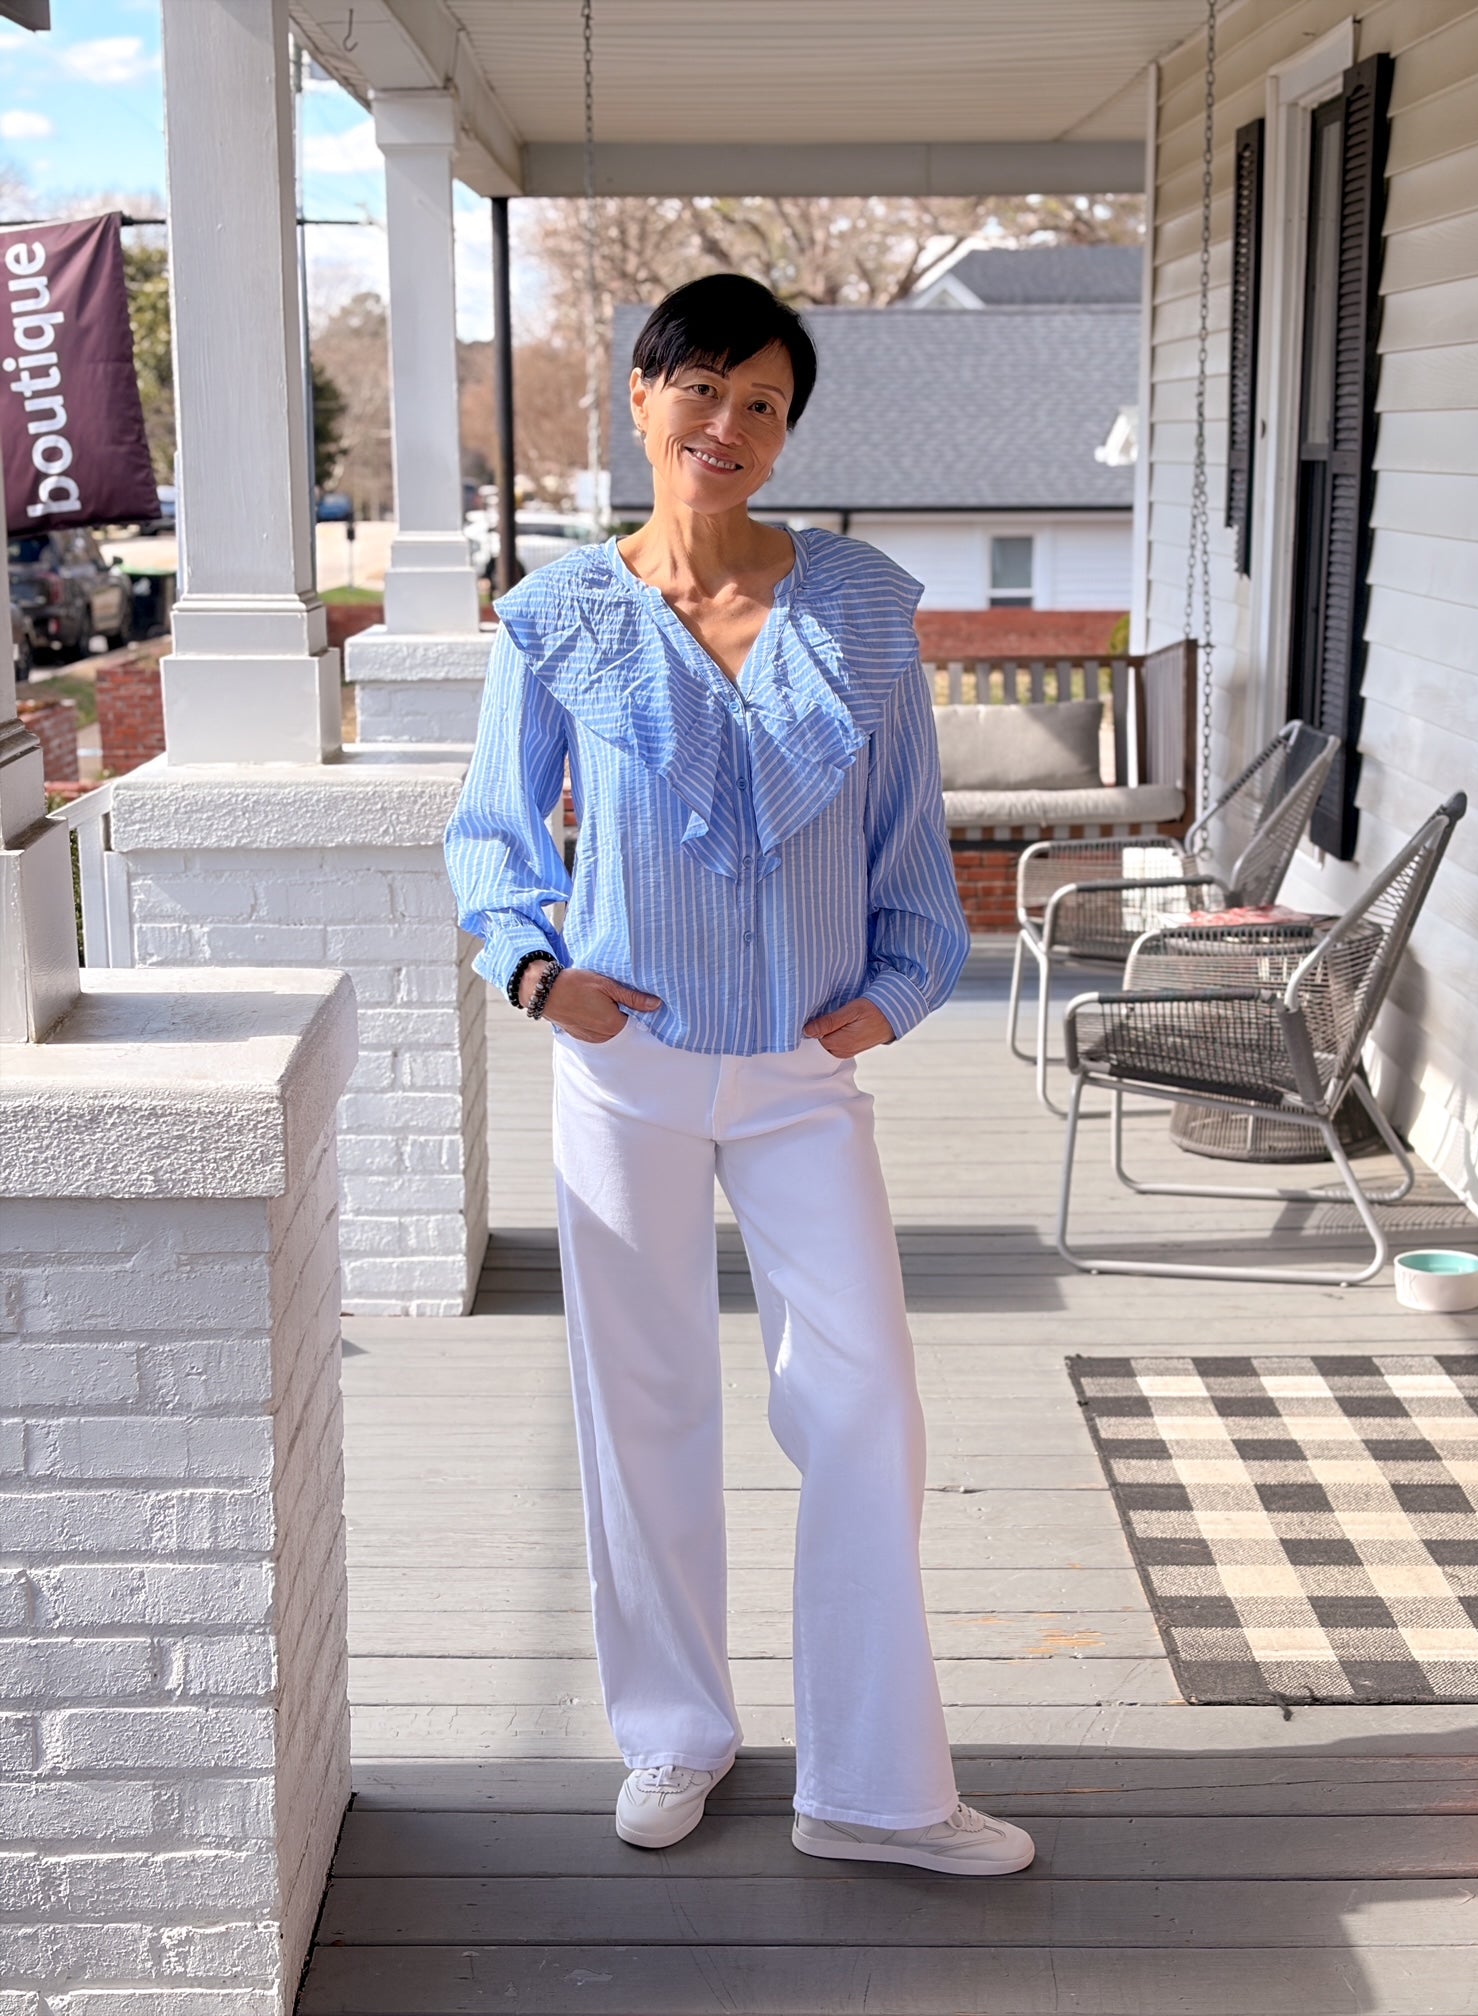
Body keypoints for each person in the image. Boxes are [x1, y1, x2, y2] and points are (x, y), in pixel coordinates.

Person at [443, 273, 1034, 1878]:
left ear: (786, 431)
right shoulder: (558, 615)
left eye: (762, 401)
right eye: (700, 387)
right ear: (641, 397)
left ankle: (876, 1792)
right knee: (639, 1400)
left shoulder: (860, 608)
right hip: (624, 1062)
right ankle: (674, 1732)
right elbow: (493, 835)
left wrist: (898, 990)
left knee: (864, 1405)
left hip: (796, 1070)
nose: (729, 423)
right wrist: (540, 976)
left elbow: (910, 838)